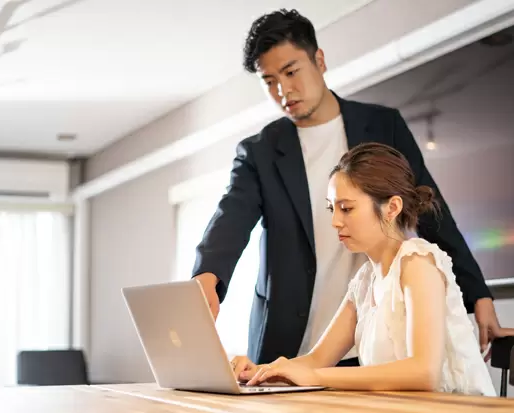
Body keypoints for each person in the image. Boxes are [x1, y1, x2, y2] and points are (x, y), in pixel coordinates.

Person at [192, 9, 510, 366]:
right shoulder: (259, 151)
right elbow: (231, 217)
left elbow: (431, 212)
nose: (283, 90)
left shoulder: (384, 126)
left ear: (319, 60)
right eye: (269, 81)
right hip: (289, 343)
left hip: (370, 342)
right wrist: (208, 275)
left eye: (291, 72)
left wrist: (478, 294)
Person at [229, 142, 497, 396]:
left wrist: (316, 377)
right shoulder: (365, 280)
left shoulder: (417, 262)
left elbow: (424, 372)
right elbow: (317, 359)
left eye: (346, 208)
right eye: (332, 208)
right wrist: (260, 372)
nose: (335, 221)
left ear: (392, 207)